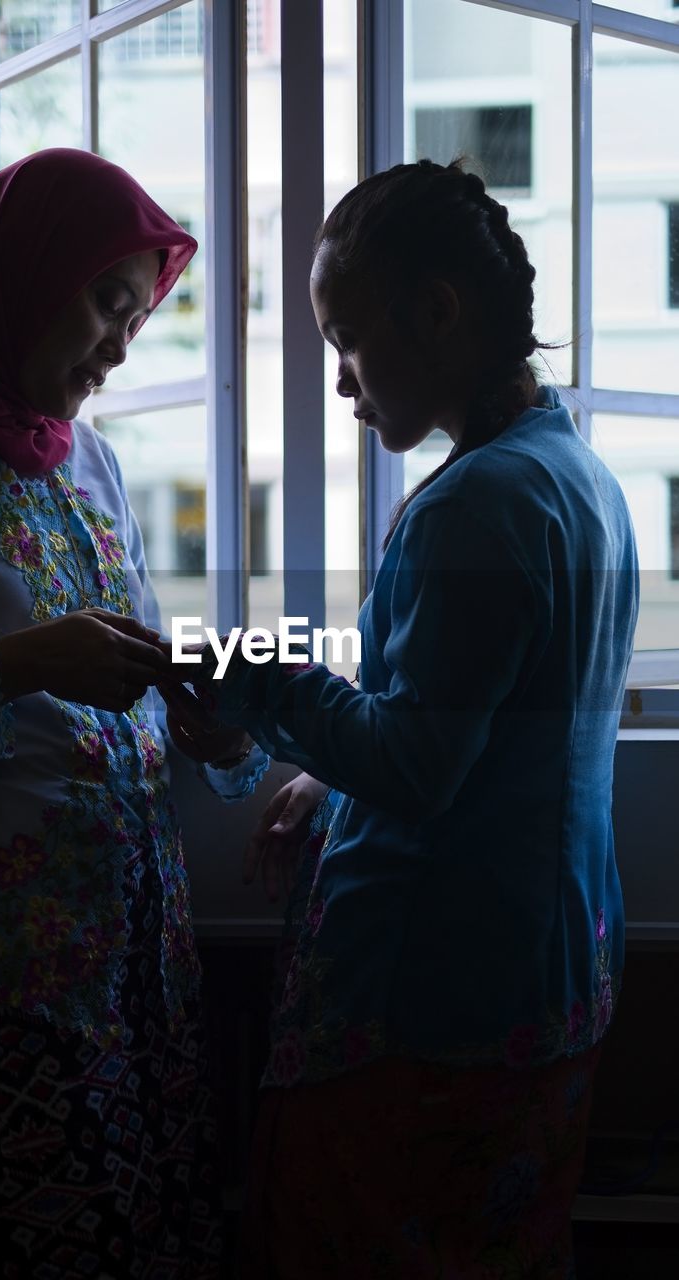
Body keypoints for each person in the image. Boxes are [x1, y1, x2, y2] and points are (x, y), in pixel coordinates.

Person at [163, 159, 640, 1278]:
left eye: (345, 341)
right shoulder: (581, 479)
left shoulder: (475, 504)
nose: (339, 384)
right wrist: (332, 768)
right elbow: (488, 722)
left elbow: (421, 770)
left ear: (435, 311)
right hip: (552, 968)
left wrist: (247, 675)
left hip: (432, 994)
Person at [0, 147, 265, 1280]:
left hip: (128, 949)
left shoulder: (92, 465)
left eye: (140, 311)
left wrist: (206, 724)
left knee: (153, 1241)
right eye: (105, 303)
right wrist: (13, 666)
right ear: (14, 278)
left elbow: (112, 683)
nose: (124, 343)